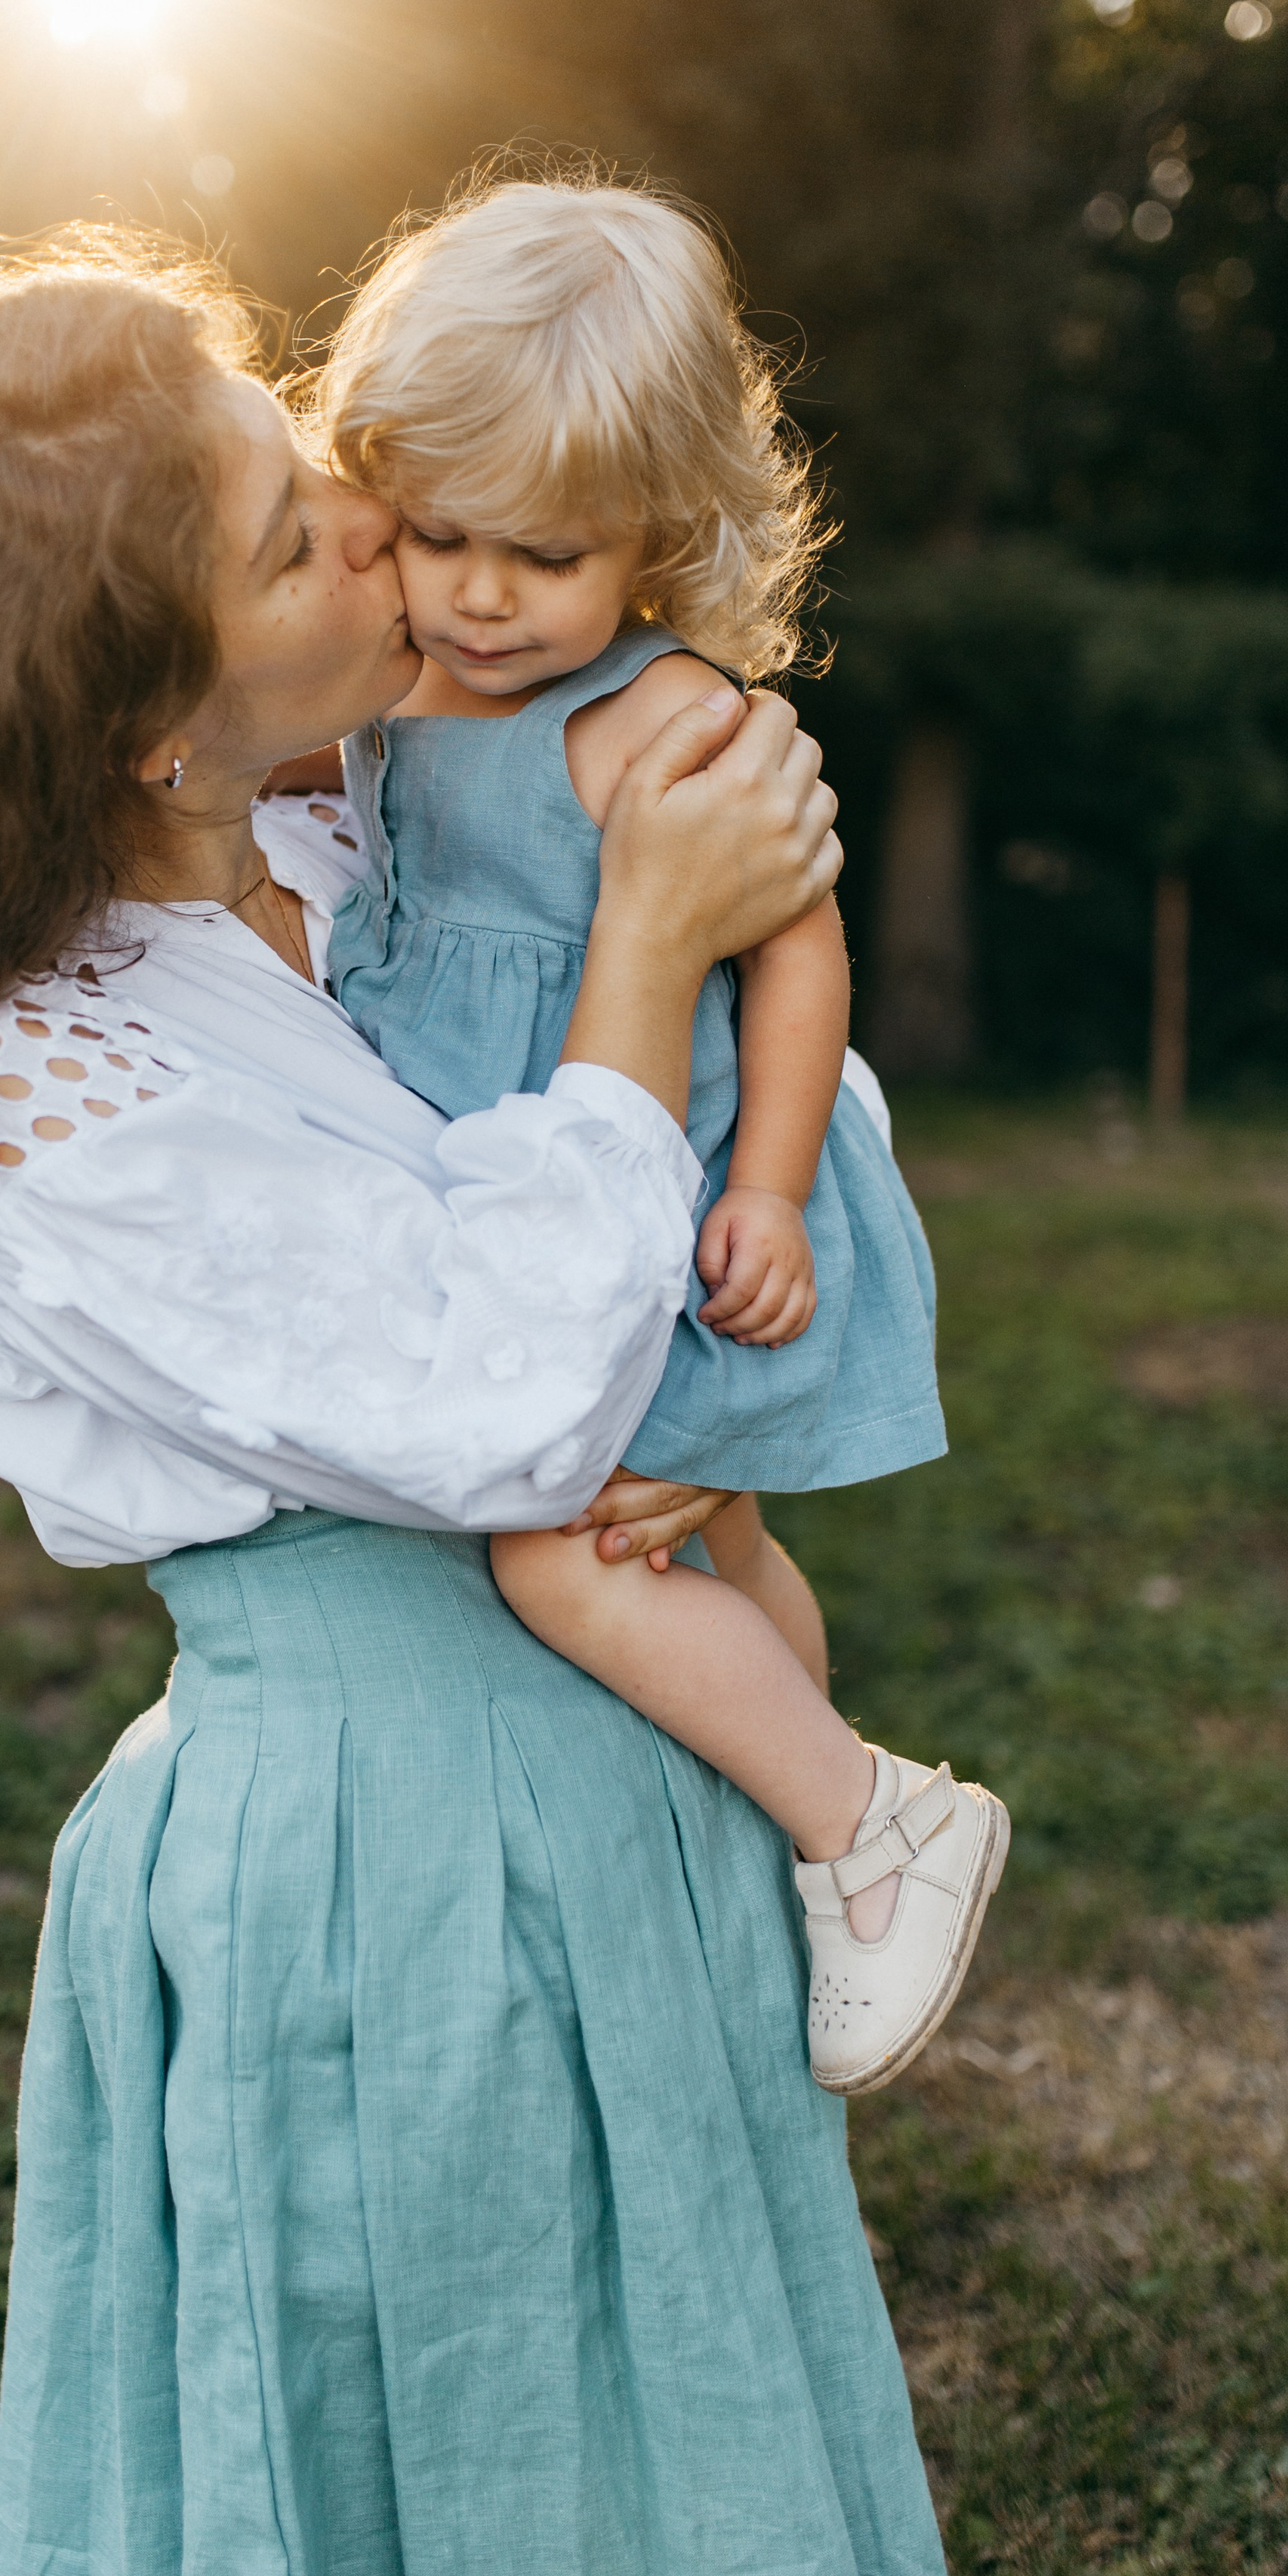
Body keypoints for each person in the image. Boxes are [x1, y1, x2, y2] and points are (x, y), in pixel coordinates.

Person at [0, 227, 963, 2576]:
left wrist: (720, 949)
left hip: (626, 1790)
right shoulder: (33, 1096)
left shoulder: (336, 838)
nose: (382, 540)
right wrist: (650, 942)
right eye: (302, 532)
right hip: (386, 1867)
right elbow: (496, 1396)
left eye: (318, 467)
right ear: (135, 721)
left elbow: (676, 1121)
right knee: (436, 2476)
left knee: (657, 2455)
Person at [316, 171, 1007, 2093]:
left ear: (658, 530)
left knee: (565, 1549)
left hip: (677, 1197)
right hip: (527, 1189)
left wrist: (773, 1186)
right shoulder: (399, 681)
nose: (470, 592)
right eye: (433, 533)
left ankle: (866, 1819)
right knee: (714, 1534)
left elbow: (799, 961)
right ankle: (794, 1801)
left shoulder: (663, 722)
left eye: (537, 556)